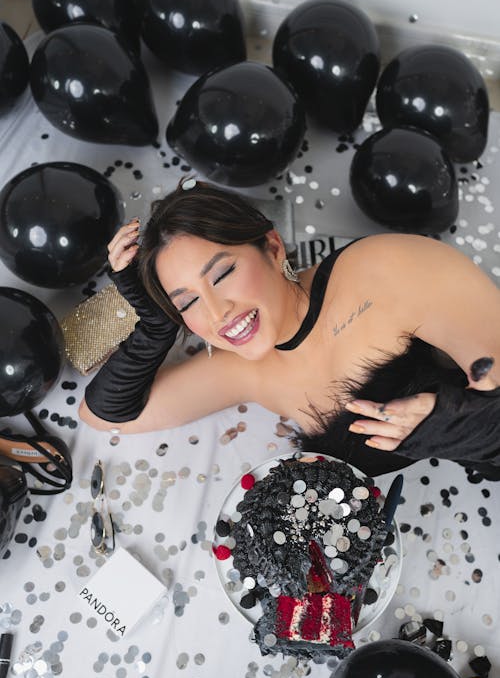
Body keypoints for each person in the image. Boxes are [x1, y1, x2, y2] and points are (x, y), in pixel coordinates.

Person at [80, 179, 500, 478]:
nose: (217, 313)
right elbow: (104, 414)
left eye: (222, 274)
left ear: (272, 246)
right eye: (186, 302)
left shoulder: (390, 272)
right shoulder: (241, 368)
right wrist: (155, 325)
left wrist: (449, 422)